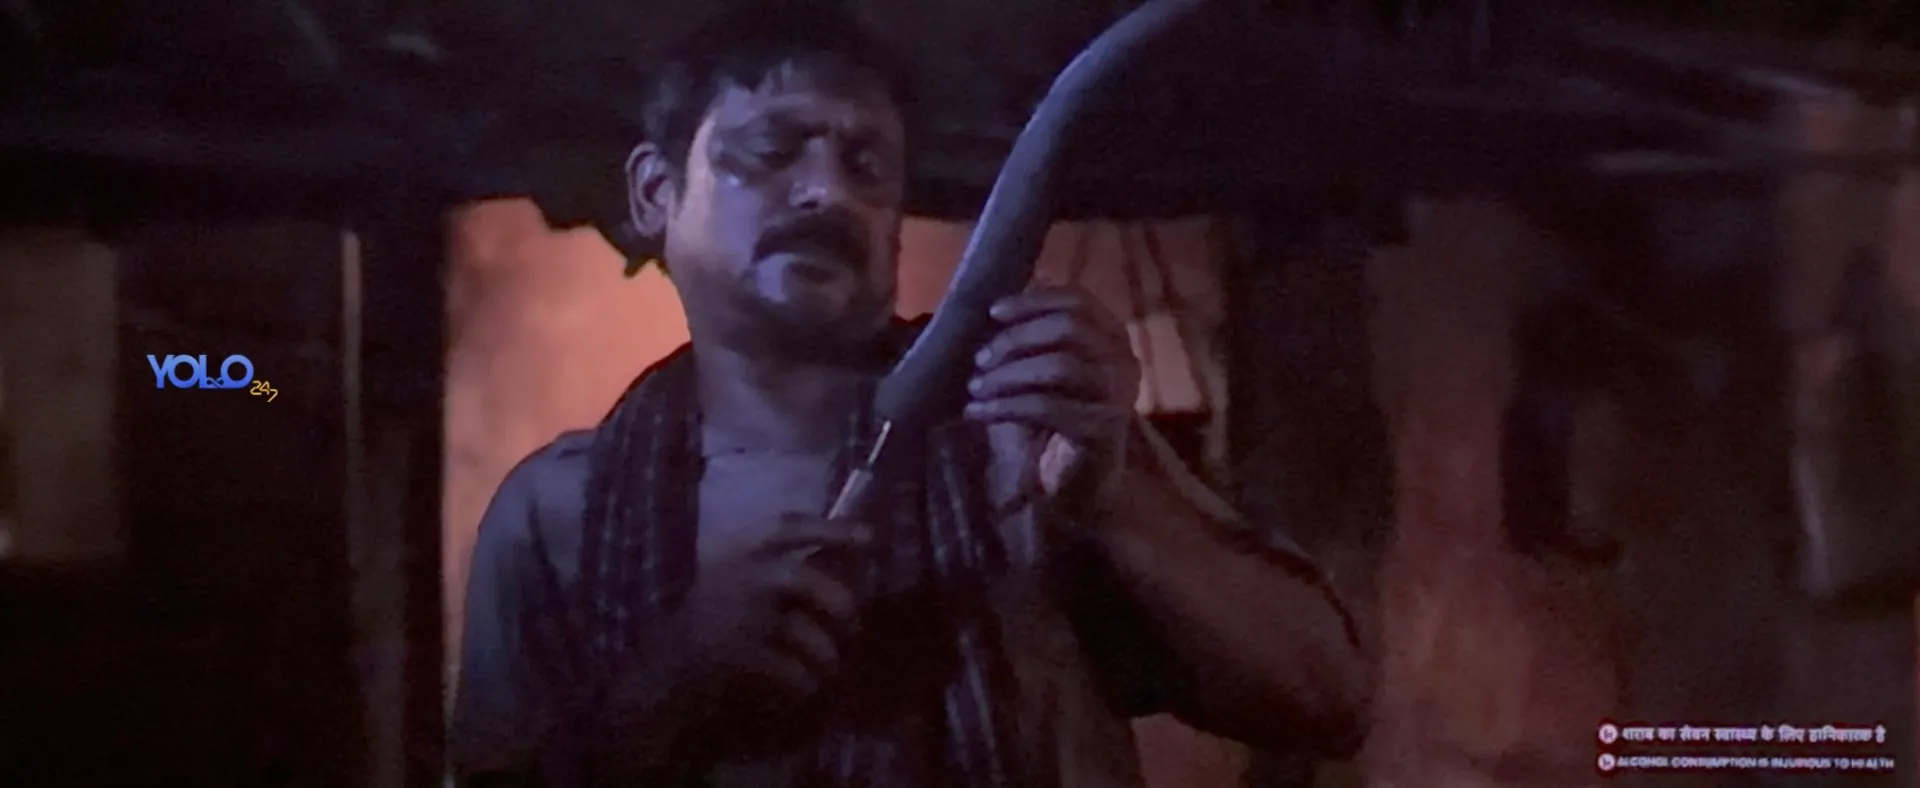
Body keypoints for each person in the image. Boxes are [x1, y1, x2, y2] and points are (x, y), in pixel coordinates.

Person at [450, 2, 1371, 786]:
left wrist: (1116, 497)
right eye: (770, 151)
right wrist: (670, 690)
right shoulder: (556, 516)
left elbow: (1330, 699)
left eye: (867, 166)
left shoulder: (1024, 439)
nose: (825, 193)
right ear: (656, 191)